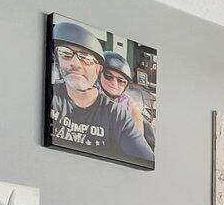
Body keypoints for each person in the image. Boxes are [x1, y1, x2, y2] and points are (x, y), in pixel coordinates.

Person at [49, 20, 153, 165]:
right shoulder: (54, 94)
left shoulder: (121, 113)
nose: (114, 84)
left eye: (121, 81)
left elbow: (140, 156)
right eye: (66, 54)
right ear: (100, 73)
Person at [99, 49, 155, 151]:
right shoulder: (88, 94)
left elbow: (137, 143)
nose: (114, 83)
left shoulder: (129, 105)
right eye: (108, 76)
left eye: (121, 81)